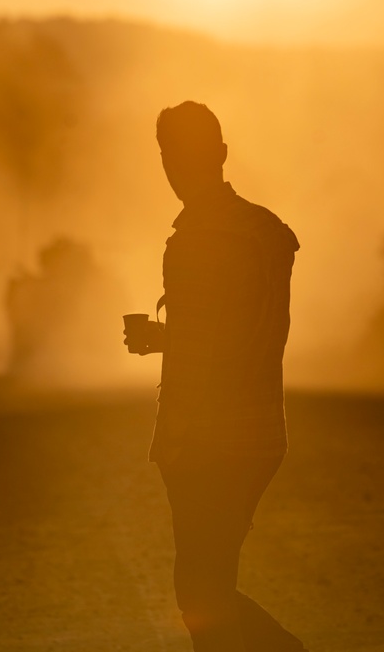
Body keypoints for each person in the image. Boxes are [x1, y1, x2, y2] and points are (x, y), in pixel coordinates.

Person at [124, 101, 305, 652]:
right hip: (261, 434)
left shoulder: (193, 242)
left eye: (177, 153)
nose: (173, 166)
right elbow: (244, 332)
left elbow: (205, 358)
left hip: (209, 441)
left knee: (201, 592)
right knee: (209, 586)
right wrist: (168, 338)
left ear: (219, 154)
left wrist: (173, 447)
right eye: (167, 154)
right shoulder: (266, 231)